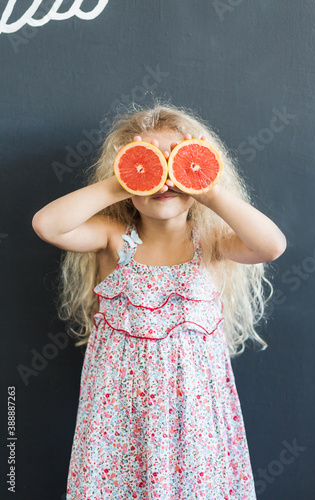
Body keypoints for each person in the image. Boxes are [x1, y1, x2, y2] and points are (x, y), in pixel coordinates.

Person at [32, 100, 287, 499]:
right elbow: (46, 225)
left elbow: (271, 246)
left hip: (194, 421)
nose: (164, 177)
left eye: (174, 161)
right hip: (119, 417)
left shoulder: (214, 242)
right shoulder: (113, 238)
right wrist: (124, 179)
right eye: (150, 162)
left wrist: (208, 189)